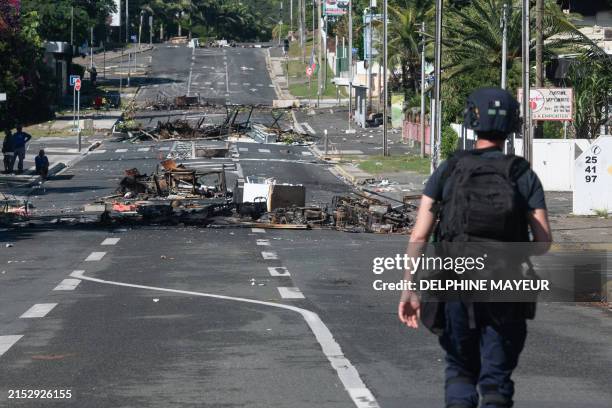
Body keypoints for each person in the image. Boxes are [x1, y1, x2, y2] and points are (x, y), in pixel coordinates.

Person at [398, 87, 552, 408]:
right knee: (496, 382)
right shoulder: (522, 174)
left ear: (472, 120)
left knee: (460, 371)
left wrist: (408, 288)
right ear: (513, 125)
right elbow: (542, 243)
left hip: (454, 285)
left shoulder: (450, 169)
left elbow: (419, 237)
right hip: (505, 287)